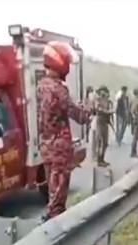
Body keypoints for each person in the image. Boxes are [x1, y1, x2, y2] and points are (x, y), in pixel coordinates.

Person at [37, 41, 93, 220]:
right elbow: (78, 115)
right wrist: (89, 110)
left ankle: (51, 219)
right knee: (58, 199)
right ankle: (55, 227)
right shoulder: (58, 89)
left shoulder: (42, 85)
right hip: (60, 148)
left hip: (46, 147)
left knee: (52, 191)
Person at [94, 85, 114, 167]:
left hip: (106, 121)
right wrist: (107, 111)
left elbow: (112, 109)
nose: (103, 93)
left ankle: (102, 158)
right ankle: (99, 160)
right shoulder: (98, 100)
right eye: (102, 91)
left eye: (104, 91)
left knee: (105, 142)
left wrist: (109, 111)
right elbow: (98, 109)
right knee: (100, 140)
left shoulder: (108, 101)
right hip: (100, 120)